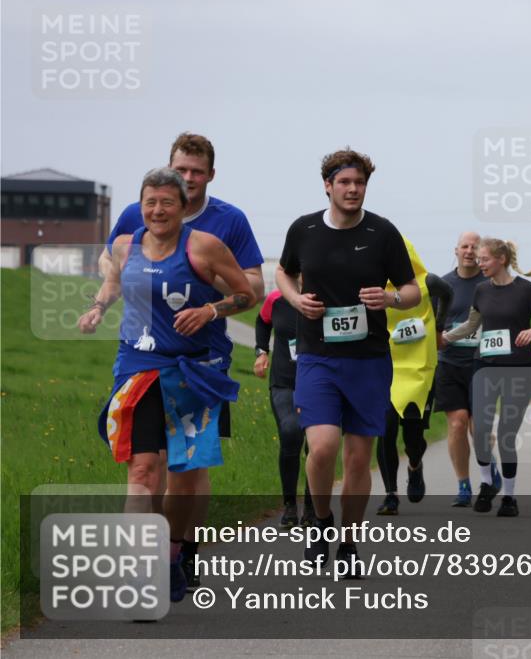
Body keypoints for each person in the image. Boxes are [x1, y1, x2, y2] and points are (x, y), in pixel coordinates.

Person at [79, 167, 256, 602]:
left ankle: (173, 553)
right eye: (149, 202)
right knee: (142, 468)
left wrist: (211, 312)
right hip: (137, 367)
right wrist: (98, 308)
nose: (157, 211)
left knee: (186, 475)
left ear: (182, 207)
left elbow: (247, 293)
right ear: (140, 206)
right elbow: (115, 281)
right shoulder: (125, 245)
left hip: (192, 371)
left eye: (166, 202)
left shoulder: (204, 247)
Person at [276, 147, 419, 575]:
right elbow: (284, 272)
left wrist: (390, 298)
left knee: (359, 458)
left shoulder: (382, 233)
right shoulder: (303, 229)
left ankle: (349, 542)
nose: (353, 189)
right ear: (328, 186)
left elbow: (412, 289)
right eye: (344, 182)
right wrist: (296, 300)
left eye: (359, 183)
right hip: (318, 357)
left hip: (369, 359)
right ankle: (320, 523)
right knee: (321, 448)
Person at [443, 239, 531, 517]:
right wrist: (445, 337)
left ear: (501, 259)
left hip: (518, 368)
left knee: (506, 434)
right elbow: (472, 324)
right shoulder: (481, 290)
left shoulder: (526, 290)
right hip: (484, 366)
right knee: (480, 430)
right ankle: (485, 484)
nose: (479, 263)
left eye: (484, 259)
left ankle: (509, 497)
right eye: (478, 259)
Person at [375, 239, 453, 515]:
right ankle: (390, 494)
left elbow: (448, 293)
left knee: (413, 434)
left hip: (419, 368)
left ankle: (415, 465)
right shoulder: (375, 286)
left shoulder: (428, 282)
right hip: (386, 366)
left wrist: (439, 326)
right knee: (384, 430)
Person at [434, 231, 500, 507]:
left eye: (475, 247)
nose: (470, 251)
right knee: (458, 422)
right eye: (465, 246)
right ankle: (463, 484)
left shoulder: (491, 284)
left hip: (482, 364)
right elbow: (433, 325)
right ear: (456, 250)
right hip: (449, 362)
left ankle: (489, 471)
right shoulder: (443, 284)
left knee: (479, 427)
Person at [254, 290, 314, 528]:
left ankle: (311, 507)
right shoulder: (276, 299)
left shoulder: (327, 294)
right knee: (290, 432)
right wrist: (261, 351)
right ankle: (290, 505)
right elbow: (262, 320)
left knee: (316, 445)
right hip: (284, 380)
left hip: (318, 383)